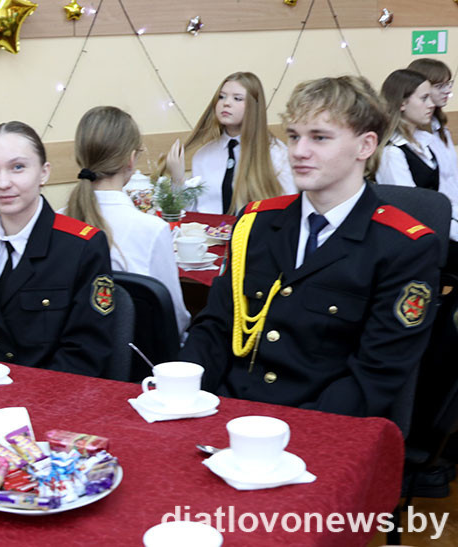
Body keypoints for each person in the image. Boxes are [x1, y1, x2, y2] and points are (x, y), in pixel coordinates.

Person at [178, 76, 439, 417]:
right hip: (229, 411)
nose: (299, 151)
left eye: (319, 137)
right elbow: (214, 328)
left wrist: (295, 430)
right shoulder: (256, 223)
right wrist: (183, 397)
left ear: (365, 146)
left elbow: (375, 374)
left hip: (324, 424)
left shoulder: (403, 246)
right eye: (294, 136)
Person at [0, 121, 115, 377]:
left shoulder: (81, 247)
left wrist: (21, 395)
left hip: (51, 395)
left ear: (44, 173)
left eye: (18, 167)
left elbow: (86, 353)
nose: (3, 183)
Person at [64, 105, 190, 337]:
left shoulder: (58, 221)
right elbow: (174, 319)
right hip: (138, 354)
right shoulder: (152, 229)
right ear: (131, 160)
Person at [165, 72, 295, 214]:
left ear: (254, 106)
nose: (226, 103)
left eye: (237, 98)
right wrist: (178, 180)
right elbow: (190, 212)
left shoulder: (276, 154)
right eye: (221, 97)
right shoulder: (203, 156)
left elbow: (289, 207)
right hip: (209, 228)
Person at [405, 59, 458, 274]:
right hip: (437, 227)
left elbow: (453, 180)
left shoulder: (440, 129)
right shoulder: (412, 141)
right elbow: (425, 202)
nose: (447, 91)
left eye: (449, 84)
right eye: (439, 86)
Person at [377, 69, 438, 191]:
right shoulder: (391, 153)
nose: (432, 104)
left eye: (431, 98)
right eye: (424, 98)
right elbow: (406, 199)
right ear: (402, 103)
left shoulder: (424, 139)